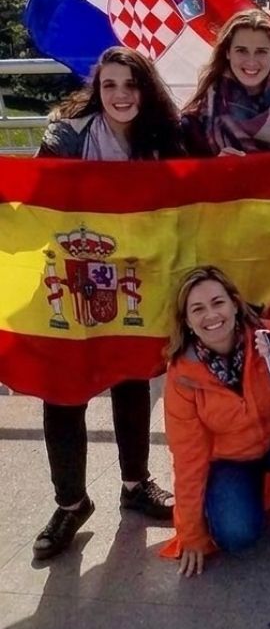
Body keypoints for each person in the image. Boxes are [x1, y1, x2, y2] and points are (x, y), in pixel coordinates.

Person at [32, 47, 181, 560]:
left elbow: (193, 195)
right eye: (110, 85)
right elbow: (36, 202)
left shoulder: (162, 140)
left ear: (147, 91)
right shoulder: (65, 137)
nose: (120, 95)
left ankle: (135, 484)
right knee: (62, 388)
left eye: (131, 85)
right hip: (73, 274)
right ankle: (71, 502)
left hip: (134, 277)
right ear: (98, 90)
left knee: (132, 376)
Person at [164, 267, 270, 577]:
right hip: (231, 458)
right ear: (187, 322)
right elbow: (188, 458)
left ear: (234, 303)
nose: (211, 315)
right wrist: (190, 533)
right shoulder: (182, 376)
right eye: (197, 309)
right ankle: (232, 495)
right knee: (236, 536)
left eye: (218, 303)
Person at [181, 10, 270, 157]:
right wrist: (216, 169)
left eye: (261, 51)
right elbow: (188, 176)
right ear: (227, 52)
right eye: (241, 51)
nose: (251, 61)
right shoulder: (195, 121)